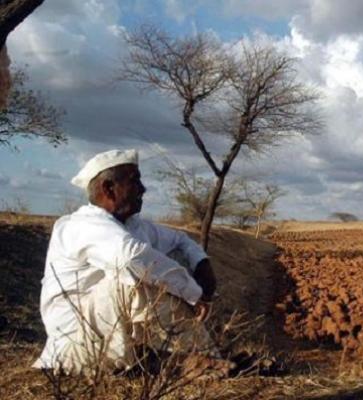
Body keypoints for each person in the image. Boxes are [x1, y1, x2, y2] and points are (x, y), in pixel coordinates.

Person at [33, 149, 222, 374]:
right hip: (76, 344)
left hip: (110, 334)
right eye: (134, 181)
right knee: (134, 278)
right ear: (108, 188)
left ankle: (201, 358)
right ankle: (200, 360)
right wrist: (193, 293)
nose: (142, 189)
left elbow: (180, 239)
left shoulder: (133, 226)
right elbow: (132, 257)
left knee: (164, 267)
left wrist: (202, 264)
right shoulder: (80, 225)